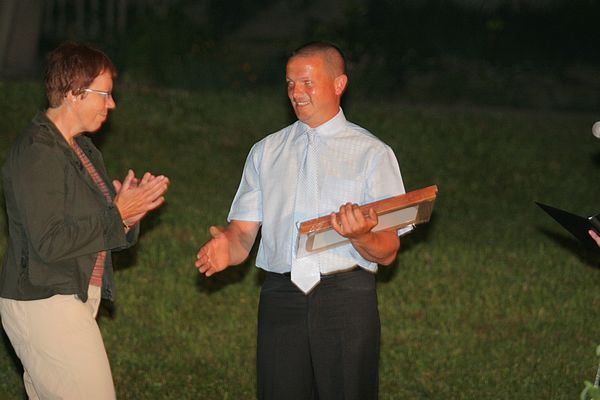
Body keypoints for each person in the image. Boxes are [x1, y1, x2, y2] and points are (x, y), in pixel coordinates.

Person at [195, 41, 411, 400]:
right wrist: (227, 247)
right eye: (290, 83)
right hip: (281, 296)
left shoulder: (372, 153)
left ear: (339, 84)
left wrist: (361, 236)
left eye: (307, 82)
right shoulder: (266, 151)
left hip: (346, 298)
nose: (296, 92)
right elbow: (243, 233)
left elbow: (388, 250)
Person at [0, 42, 169, 399]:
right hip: (44, 301)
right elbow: (50, 241)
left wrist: (129, 214)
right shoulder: (38, 152)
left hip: (70, 298)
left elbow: (101, 229)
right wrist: (117, 214)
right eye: (104, 94)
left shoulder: (83, 149)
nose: (112, 104)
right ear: (74, 93)